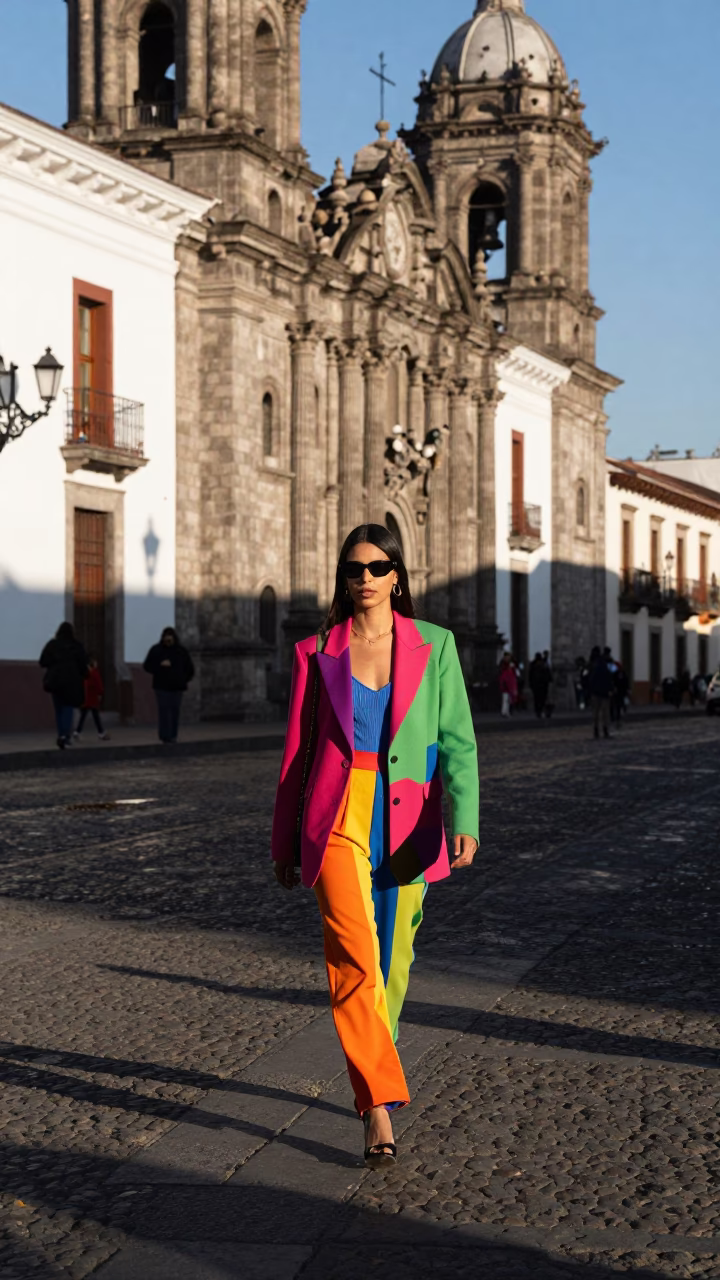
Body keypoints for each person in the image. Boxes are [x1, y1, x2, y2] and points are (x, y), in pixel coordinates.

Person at [271, 524, 479, 1169]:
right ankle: (378, 1107)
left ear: (396, 576)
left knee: (393, 958)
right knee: (354, 956)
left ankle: (372, 1070)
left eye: (377, 567)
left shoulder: (435, 645)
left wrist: (466, 816)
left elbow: (458, 738)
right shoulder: (315, 652)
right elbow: (297, 755)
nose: (364, 578)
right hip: (338, 812)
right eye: (353, 568)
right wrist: (284, 841)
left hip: (409, 814)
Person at [39, 622, 88, 749]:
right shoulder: (77, 646)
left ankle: (61, 734)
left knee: (59, 709)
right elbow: (83, 665)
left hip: (55, 681)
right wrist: (84, 675)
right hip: (71, 682)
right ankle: (66, 736)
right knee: (68, 708)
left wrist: (54, 664)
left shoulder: (52, 645)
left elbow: (43, 661)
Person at [143, 627, 195, 744]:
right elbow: (147, 666)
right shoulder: (156, 650)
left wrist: (183, 679)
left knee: (174, 711)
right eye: (166, 638)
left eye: (170, 638)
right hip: (161, 686)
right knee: (164, 710)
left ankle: (173, 735)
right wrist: (159, 666)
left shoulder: (181, 651)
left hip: (177, 687)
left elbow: (190, 669)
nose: (168, 640)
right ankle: (164, 735)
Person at [73, 655, 110, 741]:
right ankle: (101, 733)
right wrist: (100, 693)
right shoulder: (95, 673)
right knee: (95, 716)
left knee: (84, 716)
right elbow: (98, 684)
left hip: (86, 698)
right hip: (93, 697)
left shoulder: (85, 672)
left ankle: (77, 732)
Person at [588, 645, 613, 739]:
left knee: (595, 712)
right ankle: (605, 729)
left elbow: (590, 678)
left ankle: (596, 730)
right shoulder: (607, 664)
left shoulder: (593, 664)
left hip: (595, 691)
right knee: (605, 712)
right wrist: (611, 689)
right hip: (604, 692)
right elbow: (610, 677)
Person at [529, 652, 553, 720]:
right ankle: (541, 711)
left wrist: (531, 684)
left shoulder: (533, 665)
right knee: (542, 699)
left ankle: (538, 711)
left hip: (537, 684)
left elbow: (530, 675)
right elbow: (548, 673)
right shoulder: (544, 664)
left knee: (537, 699)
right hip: (543, 684)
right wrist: (550, 680)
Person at [498, 652, 518, 717]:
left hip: (510, 682)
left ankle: (506, 711)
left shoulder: (510, 664)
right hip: (505, 682)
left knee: (508, 698)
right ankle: (504, 712)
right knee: (505, 698)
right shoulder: (504, 665)